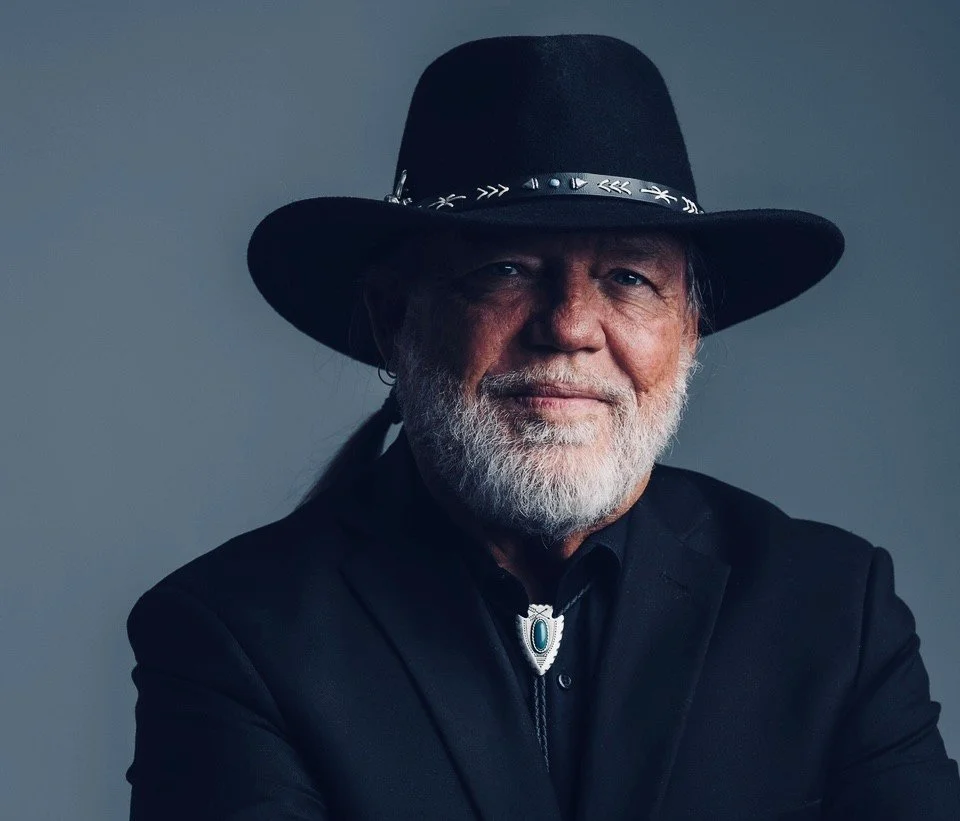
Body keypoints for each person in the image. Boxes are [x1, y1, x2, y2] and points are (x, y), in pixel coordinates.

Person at [124, 34, 960, 820]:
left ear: (689, 331)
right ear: (393, 320)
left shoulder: (830, 609)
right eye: (505, 270)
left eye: (628, 277)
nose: (568, 325)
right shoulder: (235, 633)